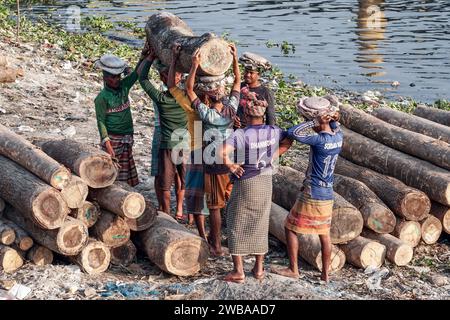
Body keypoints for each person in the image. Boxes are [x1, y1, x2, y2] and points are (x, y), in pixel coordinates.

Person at [220, 91, 292, 283]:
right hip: (265, 181)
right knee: (261, 222)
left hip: (246, 181)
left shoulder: (241, 134)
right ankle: (259, 268)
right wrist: (273, 156)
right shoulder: (274, 131)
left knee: (236, 220)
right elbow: (288, 140)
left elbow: (222, 152)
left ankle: (239, 271)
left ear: (245, 115)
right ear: (263, 115)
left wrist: (232, 165)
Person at [273, 96, 342, 283]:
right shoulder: (338, 137)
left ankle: (293, 269)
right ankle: (325, 275)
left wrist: (314, 121)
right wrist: (330, 118)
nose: (308, 124)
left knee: (290, 227)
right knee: (324, 234)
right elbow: (336, 125)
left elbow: (292, 131)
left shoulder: (318, 141)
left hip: (313, 192)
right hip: (328, 192)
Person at [185, 44, 240, 256]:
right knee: (228, 202)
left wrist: (194, 66)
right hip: (231, 162)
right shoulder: (230, 110)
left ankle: (216, 245)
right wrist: (234, 58)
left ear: (209, 95)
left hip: (213, 163)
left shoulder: (206, 115)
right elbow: (237, 81)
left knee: (215, 207)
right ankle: (229, 241)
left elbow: (189, 90)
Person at [137, 44, 188, 219]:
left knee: (165, 184)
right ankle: (181, 211)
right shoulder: (187, 98)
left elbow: (142, 78)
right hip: (185, 145)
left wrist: (148, 58)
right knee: (183, 180)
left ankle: (166, 213)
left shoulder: (161, 100)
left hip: (168, 145)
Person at [167, 43, 207, 238]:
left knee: (195, 192)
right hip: (212, 152)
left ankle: (199, 228)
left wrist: (184, 62)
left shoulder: (192, 107)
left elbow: (174, 86)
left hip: (196, 152)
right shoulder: (219, 109)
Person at [94, 53, 143, 186]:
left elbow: (136, 74)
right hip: (113, 139)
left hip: (126, 136)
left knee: (124, 170)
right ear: (106, 78)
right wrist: (108, 145)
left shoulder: (124, 87)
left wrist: (145, 56)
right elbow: (101, 122)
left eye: (118, 76)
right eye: (113, 77)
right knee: (109, 171)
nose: (117, 80)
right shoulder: (102, 98)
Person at [235, 52, 276, 129]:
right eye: (246, 72)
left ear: (258, 75)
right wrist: (233, 119)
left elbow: (270, 117)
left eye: (251, 73)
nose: (247, 75)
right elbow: (230, 107)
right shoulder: (238, 87)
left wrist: (269, 133)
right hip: (238, 129)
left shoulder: (265, 92)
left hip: (256, 130)